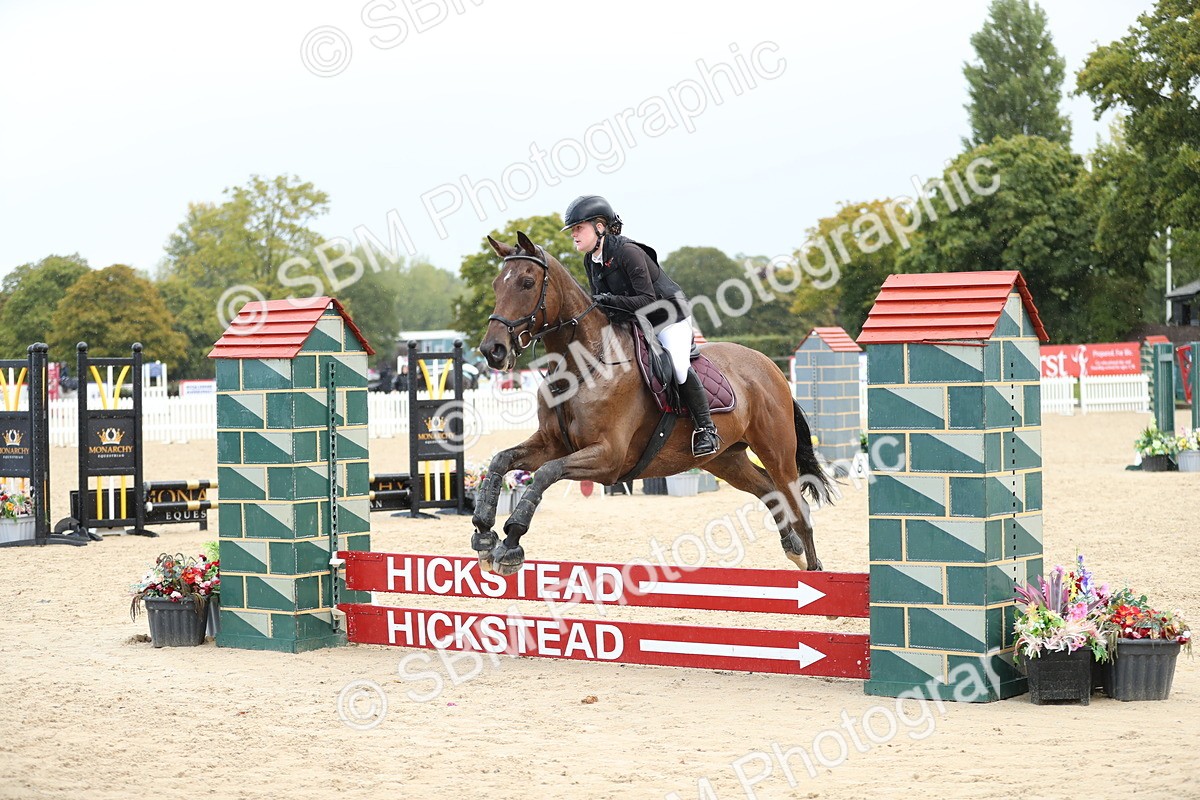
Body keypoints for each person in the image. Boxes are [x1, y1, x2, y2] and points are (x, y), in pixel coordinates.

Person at [561, 194, 720, 456]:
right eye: (573, 230)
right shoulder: (591, 260)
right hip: (635, 321)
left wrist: (608, 300)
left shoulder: (628, 252)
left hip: (668, 316)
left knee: (679, 368)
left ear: (599, 227)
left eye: (579, 228)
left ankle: (707, 429)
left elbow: (647, 299)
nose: (574, 235)